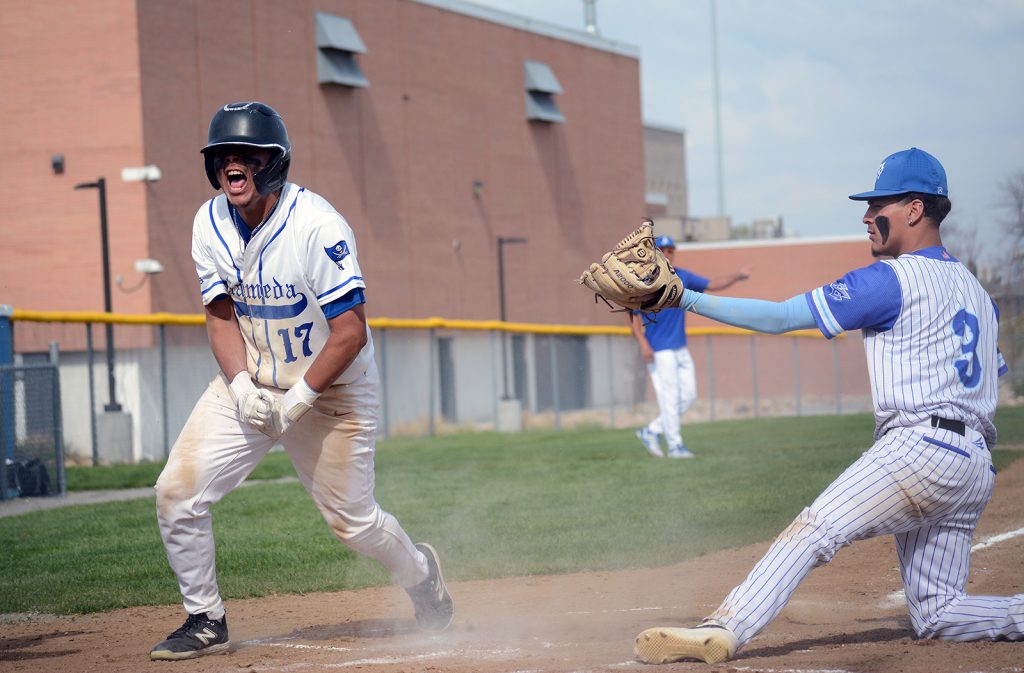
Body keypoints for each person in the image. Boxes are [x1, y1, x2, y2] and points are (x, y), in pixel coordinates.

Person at [633, 147, 1023, 665]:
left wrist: (682, 297)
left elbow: (779, 317)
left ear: (913, 209)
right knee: (937, 613)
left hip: (918, 448)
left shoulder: (891, 278)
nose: (866, 217)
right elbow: (991, 373)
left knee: (817, 529)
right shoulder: (978, 291)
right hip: (974, 464)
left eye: (877, 205)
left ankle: (725, 626)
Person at [150, 102, 453, 661]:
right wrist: (240, 386)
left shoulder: (317, 225)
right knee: (175, 492)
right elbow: (220, 316)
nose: (232, 163)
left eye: (247, 154)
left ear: (275, 163)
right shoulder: (207, 222)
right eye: (223, 155)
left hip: (332, 389)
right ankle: (204, 618)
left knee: (355, 525)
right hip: (254, 381)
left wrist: (300, 401)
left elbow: (350, 332)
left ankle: (422, 574)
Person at [631, 235, 750, 458]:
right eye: (663, 250)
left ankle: (652, 430)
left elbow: (712, 284)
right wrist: (643, 344)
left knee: (689, 394)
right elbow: (634, 317)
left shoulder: (682, 276)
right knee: (670, 396)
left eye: (671, 250)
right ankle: (675, 446)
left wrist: (737, 276)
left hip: (679, 346)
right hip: (659, 348)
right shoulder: (644, 281)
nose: (667, 253)